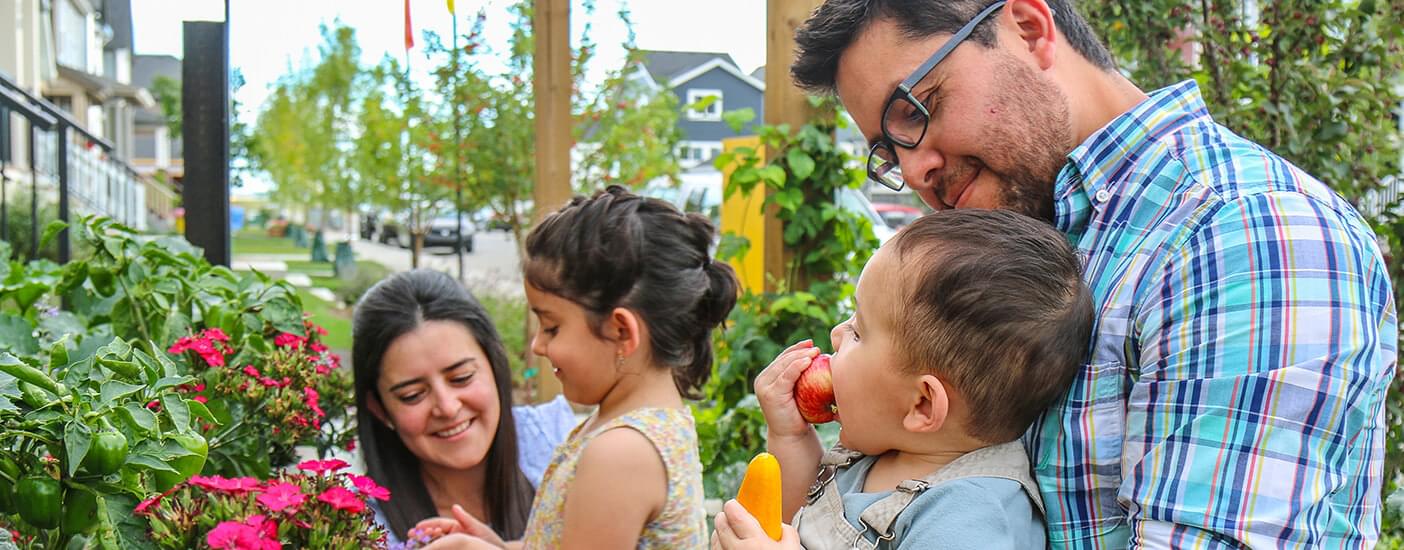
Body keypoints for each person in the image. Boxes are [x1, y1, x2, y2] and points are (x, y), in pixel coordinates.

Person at [790, 0, 1397, 547]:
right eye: (887, 151)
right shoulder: (1023, 247)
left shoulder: (1243, 234)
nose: (916, 168)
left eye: (917, 109)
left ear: (1028, 29)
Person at [713, 209, 1094, 549]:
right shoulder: (883, 449)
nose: (836, 334)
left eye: (859, 331)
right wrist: (790, 436)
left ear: (922, 403)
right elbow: (798, 514)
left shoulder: (968, 517)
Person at [419, 185, 740, 549]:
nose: (538, 346)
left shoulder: (621, 453)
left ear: (622, 331)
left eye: (552, 327)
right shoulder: (632, 426)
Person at [352, 269, 577, 546]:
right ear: (378, 407)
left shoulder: (561, 444)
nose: (447, 407)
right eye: (413, 395)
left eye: (462, 378)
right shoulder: (360, 528)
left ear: (495, 364)